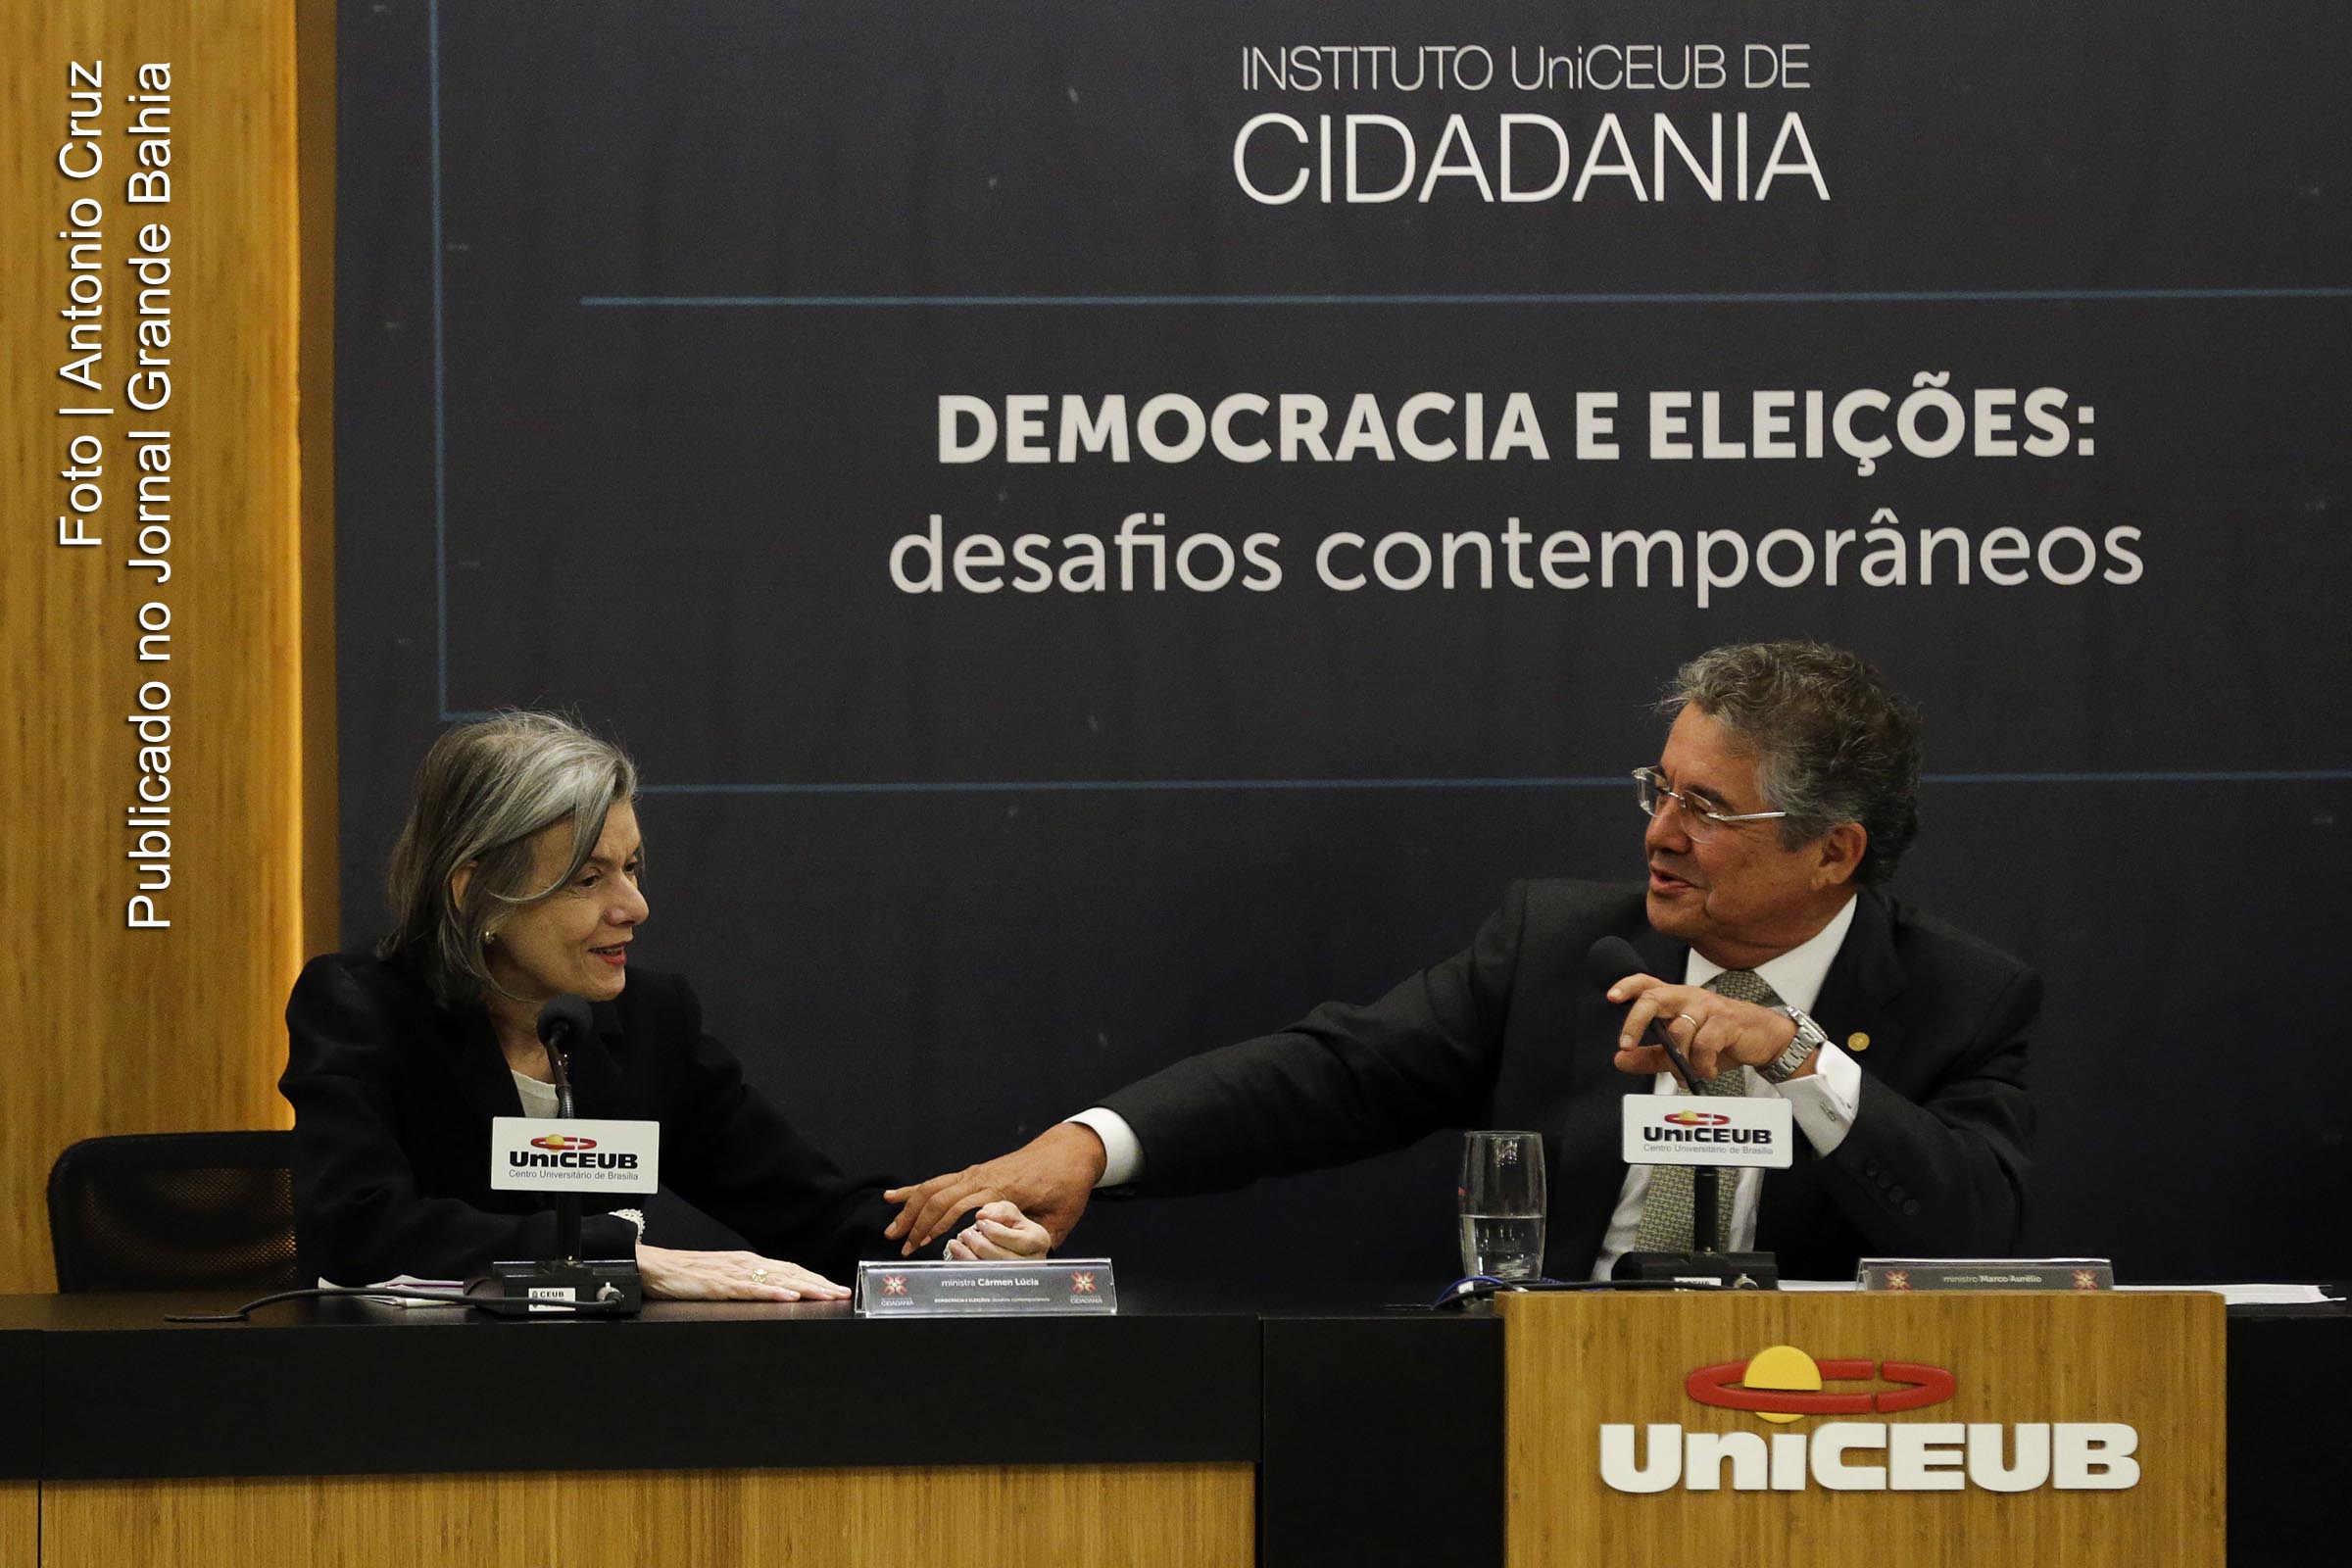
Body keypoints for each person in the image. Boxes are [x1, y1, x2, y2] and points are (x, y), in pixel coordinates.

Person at [886, 642, 2037, 1282]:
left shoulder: (1962, 998)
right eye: (1659, 789)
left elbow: (1976, 1231)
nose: (1660, 833)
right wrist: (1091, 1144)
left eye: (1708, 808)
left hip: (1805, 1424)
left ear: (1834, 851)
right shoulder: (1562, 949)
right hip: (1549, 1399)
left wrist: (1797, 1056)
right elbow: (1335, 1073)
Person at [284, 711, 1046, 1298]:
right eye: (590, 880)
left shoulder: (649, 1021)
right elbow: (357, 1229)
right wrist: (626, 1259)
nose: (635, 907)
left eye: (633, 868)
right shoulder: (362, 1009)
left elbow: (810, 1209)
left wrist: (968, 1249)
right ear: (474, 890)